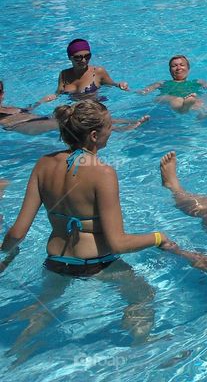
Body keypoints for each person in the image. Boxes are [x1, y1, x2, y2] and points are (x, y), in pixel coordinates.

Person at [0, 101, 168, 343]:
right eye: (109, 126)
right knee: (142, 295)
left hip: (55, 261)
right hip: (95, 263)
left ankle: (16, 354)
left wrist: (4, 252)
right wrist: (158, 237)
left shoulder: (43, 164)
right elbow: (118, 243)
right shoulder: (103, 172)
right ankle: (142, 347)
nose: (111, 131)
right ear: (93, 135)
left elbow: (17, 232)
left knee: (43, 311)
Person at [2, 79, 148, 137]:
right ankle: (121, 129)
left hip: (36, 119)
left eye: (0, 91)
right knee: (74, 121)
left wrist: (39, 102)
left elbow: (27, 110)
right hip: (20, 126)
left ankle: (128, 121)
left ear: (3, 93)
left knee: (83, 113)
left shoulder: (10, 107)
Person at [35, 39, 129, 105]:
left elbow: (113, 84)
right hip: (75, 109)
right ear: (70, 58)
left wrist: (120, 84)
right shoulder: (64, 75)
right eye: (78, 57)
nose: (84, 60)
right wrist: (44, 100)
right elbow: (58, 94)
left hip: (96, 107)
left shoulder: (98, 72)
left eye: (87, 56)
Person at [140, 55, 207, 115]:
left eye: (182, 65)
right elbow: (143, 92)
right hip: (170, 99)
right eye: (174, 66)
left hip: (191, 99)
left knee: (201, 103)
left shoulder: (198, 82)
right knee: (177, 99)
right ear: (170, 70)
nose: (178, 68)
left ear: (188, 68)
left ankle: (200, 114)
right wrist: (129, 89)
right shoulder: (162, 83)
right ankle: (184, 107)